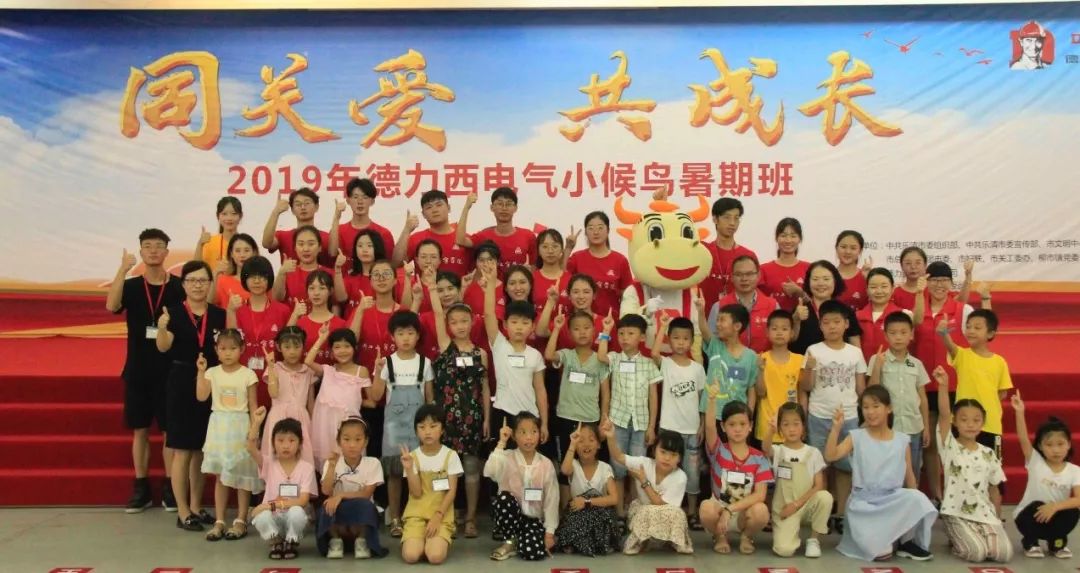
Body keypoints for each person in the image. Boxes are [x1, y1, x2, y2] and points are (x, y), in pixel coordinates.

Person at [105, 229, 184, 513]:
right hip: (138, 369)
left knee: (169, 432)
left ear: (166, 253)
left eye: (159, 246)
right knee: (140, 430)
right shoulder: (131, 285)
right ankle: (141, 487)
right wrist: (122, 270)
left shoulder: (178, 287)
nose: (153, 251)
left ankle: (170, 487)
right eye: (147, 246)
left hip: (170, 370)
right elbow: (112, 305)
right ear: (141, 252)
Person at [826, 385, 937, 561]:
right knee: (881, 552)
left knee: (918, 499)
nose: (870, 412)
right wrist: (836, 428)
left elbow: (909, 477)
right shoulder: (856, 436)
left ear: (888, 408)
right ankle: (885, 538)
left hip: (891, 499)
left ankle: (906, 542)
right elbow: (830, 456)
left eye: (876, 406)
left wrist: (912, 506)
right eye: (866, 407)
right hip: (863, 505)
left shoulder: (902, 440)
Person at [156, 260, 226, 531]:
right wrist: (163, 328)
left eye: (203, 281)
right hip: (181, 382)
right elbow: (163, 348)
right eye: (192, 281)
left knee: (200, 450)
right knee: (182, 450)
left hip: (210, 381)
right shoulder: (171, 313)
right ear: (183, 285)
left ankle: (197, 507)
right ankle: (182, 510)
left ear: (210, 284)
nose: (198, 285)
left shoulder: (218, 315)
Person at [914, 260, 987, 502]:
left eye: (944, 280)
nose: (939, 285)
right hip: (925, 386)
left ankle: (960, 493)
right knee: (931, 444)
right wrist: (918, 294)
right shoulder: (917, 308)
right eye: (934, 280)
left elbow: (980, 340)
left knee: (959, 441)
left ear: (950, 283)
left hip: (956, 385)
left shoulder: (962, 310)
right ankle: (937, 495)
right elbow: (913, 327)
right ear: (926, 282)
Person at [429, 272, 489, 538]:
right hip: (447, 418)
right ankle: (447, 516)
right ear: (448, 325)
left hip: (473, 417)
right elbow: (436, 311)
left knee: (472, 468)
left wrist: (487, 419)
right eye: (454, 322)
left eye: (464, 320)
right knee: (445, 470)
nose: (460, 326)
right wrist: (431, 287)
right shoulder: (445, 345)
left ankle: (471, 518)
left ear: (472, 322)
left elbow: (485, 388)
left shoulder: (481, 353)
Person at [800, 299, 866, 534]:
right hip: (819, 416)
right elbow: (806, 386)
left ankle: (841, 512)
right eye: (826, 322)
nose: (832, 327)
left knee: (845, 467)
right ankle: (822, 511)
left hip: (848, 417)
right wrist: (809, 368)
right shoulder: (813, 350)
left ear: (846, 324)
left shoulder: (855, 352)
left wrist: (865, 415)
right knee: (820, 466)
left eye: (837, 322)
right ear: (820, 326)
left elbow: (861, 388)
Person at [368, 310, 435, 539]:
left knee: (420, 471)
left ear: (418, 336)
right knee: (395, 472)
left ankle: (419, 515)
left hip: (420, 426)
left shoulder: (425, 363)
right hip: (394, 425)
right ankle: (395, 517)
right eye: (400, 333)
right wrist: (377, 371)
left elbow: (429, 399)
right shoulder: (386, 363)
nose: (405, 338)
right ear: (392, 336)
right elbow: (376, 396)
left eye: (410, 333)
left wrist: (431, 427)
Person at [934, 367, 1012, 563]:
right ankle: (958, 539)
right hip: (956, 513)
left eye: (976, 420)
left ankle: (978, 535)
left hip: (985, 513)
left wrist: (997, 519)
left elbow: (994, 489)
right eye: (964, 420)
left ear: (983, 423)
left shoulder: (988, 453)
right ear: (955, 422)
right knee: (977, 553)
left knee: (1002, 554)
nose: (970, 424)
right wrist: (943, 386)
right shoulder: (949, 446)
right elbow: (943, 415)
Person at [940, 308, 1013, 516]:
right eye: (968, 326)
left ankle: (995, 518)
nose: (971, 331)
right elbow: (951, 347)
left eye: (977, 327)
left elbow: (1002, 393)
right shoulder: (963, 355)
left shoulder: (999, 362)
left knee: (993, 476)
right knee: (961, 470)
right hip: (962, 424)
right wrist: (944, 333)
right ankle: (960, 515)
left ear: (990, 333)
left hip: (991, 426)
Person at [196, 328, 261, 542]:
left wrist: (254, 430)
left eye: (233, 348)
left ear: (242, 349)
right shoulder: (212, 372)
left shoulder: (248, 374)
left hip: (240, 424)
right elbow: (201, 396)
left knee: (242, 474)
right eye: (223, 348)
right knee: (221, 476)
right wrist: (201, 372)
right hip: (219, 426)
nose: (228, 353)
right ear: (216, 349)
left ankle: (241, 519)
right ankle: (220, 520)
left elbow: (253, 405)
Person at [597, 313, 662, 524]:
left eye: (631, 333)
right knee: (617, 468)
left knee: (636, 468)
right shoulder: (615, 358)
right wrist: (606, 331)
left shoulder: (648, 364)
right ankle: (619, 513)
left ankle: (634, 511)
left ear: (642, 337)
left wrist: (651, 426)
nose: (625, 338)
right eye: (621, 333)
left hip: (641, 424)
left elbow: (653, 397)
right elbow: (600, 356)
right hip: (618, 422)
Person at [601, 419, 692, 555]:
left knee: (678, 514)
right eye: (663, 452)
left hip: (665, 512)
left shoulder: (681, 476)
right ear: (654, 451)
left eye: (673, 455)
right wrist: (611, 436)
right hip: (642, 509)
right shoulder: (644, 463)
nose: (667, 458)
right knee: (643, 511)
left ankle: (673, 541)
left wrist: (643, 480)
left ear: (679, 458)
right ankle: (641, 542)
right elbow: (618, 456)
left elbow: (660, 504)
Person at [699, 396, 773, 555]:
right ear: (723, 426)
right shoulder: (718, 450)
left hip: (744, 512)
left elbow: (760, 495)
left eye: (742, 424)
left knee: (761, 511)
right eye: (732, 424)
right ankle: (720, 536)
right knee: (706, 508)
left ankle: (747, 536)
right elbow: (710, 427)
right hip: (719, 509)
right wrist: (711, 400)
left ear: (750, 426)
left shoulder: (759, 458)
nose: (737, 429)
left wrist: (730, 510)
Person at [482, 267, 549, 442]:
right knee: (501, 457)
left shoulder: (535, 355)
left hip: (530, 415)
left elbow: (540, 390)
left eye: (525, 323)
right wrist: (491, 284)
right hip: (502, 413)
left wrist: (544, 423)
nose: (519, 327)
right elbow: (488, 314)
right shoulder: (499, 345)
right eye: (514, 322)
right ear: (505, 324)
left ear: (532, 327)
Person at [653, 315, 706, 530]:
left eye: (685, 338)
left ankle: (692, 512)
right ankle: (665, 509)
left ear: (692, 341)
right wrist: (663, 326)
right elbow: (654, 353)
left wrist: (702, 425)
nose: (681, 343)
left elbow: (702, 399)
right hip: (669, 428)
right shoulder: (666, 364)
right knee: (665, 471)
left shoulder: (697, 368)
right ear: (669, 339)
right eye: (676, 338)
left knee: (692, 473)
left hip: (691, 429)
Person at [1013, 391, 1080, 558]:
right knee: (1036, 505)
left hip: (1053, 513)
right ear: (1040, 447)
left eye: (1060, 444)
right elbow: (1023, 439)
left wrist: (1055, 507)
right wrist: (1019, 412)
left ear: (1068, 444)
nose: (1056, 450)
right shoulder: (1035, 461)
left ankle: (1056, 543)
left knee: (1073, 511)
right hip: (1029, 516)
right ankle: (1030, 541)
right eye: (1049, 445)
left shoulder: (1074, 470)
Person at [485, 412, 560, 561]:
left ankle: (522, 541)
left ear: (539, 434)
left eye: (534, 431)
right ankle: (509, 541)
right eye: (523, 432)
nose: (529, 437)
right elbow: (490, 471)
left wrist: (549, 533)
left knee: (532, 552)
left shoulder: (546, 464)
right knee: (504, 499)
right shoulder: (507, 457)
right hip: (512, 517)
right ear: (514, 435)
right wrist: (501, 442)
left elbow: (552, 499)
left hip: (534, 519)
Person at [762, 402, 832, 558]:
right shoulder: (778, 451)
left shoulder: (813, 452)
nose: (791, 429)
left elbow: (818, 485)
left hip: (805, 505)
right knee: (784, 550)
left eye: (796, 424)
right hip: (784, 510)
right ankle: (790, 534)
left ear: (803, 426)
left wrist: (796, 505)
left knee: (825, 497)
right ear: (780, 428)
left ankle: (814, 540)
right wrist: (770, 431)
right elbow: (765, 448)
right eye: (785, 424)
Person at [868, 312, 931, 483]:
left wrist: (926, 426)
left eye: (903, 332)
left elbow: (922, 398)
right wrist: (877, 367)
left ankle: (912, 498)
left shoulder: (916, 364)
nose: (898, 337)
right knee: (888, 473)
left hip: (914, 427)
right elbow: (871, 393)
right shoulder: (877, 359)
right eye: (893, 333)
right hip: (888, 428)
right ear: (885, 335)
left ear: (911, 334)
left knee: (913, 473)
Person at [246, 410, 318, 560]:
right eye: (280, 440)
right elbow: (251, 448)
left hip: (293, 516)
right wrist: (257, 423)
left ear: (300, 443)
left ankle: (292, 541)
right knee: (263, 516)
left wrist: (270, 505)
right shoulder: (268, 464)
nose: (286, 445)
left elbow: (303, 500)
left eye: (291, 441)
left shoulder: (306, 468)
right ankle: (276, 542)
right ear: (273, 442)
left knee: (296, 512)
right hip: (274, 516)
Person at [400, 405, 464, 564]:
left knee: (435, 557)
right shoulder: (412, 456)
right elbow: (416, 493)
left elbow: (451, 492)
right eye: (422, 427)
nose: (427, 432)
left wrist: (438, 517)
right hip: (416, 514)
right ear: (416, 431)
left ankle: (435, 542)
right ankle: (420, 540)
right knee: (410, 556)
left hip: (441, 515)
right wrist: (409, 468)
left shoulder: (451, 455)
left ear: (442, 430)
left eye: (433, 426)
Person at [316, 417, 386, 559]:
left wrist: (340, 495)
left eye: (358, 439)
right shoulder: (331, 462)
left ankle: (362, 541)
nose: (352, 445)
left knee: (366, 506)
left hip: (360, 512)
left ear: (365, 442)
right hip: (338, 511)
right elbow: (326, 491)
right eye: (346, 439)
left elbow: (366, 494)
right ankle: (335, 541)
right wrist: (332, 466)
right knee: (326, 506)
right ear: (339, 442)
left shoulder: (373, 463)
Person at [226, 256, 292, 407]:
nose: (257, 281)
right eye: (252, 277)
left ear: (269, 279)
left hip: (274, 379)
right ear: (244, 280)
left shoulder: (282, 310)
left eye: (262, 277)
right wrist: (230, 311)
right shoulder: (237, 310)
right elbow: (231, 342)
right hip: (243, 377)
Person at [308, 325, 371, 469]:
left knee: (350, 461)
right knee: (327, 463)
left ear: (354, 348)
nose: (342, 351)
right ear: (331, 351)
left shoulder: (361, 371)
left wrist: (354, 402)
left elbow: (372, 401)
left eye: (347, 346)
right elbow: (308, 361)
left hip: (348, 424)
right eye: (337, 347)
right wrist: (321, 338)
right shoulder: (328, 370)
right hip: (325, 424)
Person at [555, 422, 620, 556]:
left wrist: (587, 502)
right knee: (572, 515)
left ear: (598, 444)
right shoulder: (573, 465)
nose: (586, 444)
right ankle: (584, 541)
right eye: (581, 441)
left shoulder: (605, 468)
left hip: (598, 512)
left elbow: (614, 498)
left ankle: (582, 541)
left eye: (591, 440)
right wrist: (572, 444)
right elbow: (565, 470)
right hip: (578, 513)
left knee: (604, 515)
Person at [698, 303, 760, 443]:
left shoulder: (751, 356)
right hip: (714, 416)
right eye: (717, 320)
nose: (718, 324)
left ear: (737, 326)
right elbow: (704, 330)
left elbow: (751, 389)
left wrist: (748, 416)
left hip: (737, 419)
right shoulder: (715, 346)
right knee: (714, 454)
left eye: (722, 320)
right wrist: (701, 312)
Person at [261, 327, 315, 467]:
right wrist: (271, 367)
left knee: (302, 457)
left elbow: (311, 403)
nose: (292, 351)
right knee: (276, 456)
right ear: (279, 347)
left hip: (301, 418)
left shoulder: (308, 371)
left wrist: (313, 425)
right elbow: (273, 393)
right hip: (278, 416)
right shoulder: (275, 368)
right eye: (287, 347)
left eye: (297, 347)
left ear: (303, 347)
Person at [565, 211, 633, 317]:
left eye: (600, 228)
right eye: (591, 228)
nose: (596, 232)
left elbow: (628, 295)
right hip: (581, 321)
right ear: (585, 232)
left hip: (611, 321)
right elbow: (560, 274)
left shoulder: (620, 260)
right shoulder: (577, 258)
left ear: (608, 230)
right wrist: (568, 248)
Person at [456, 189, 537, 276]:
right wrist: (467, 207)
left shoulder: (528, 236)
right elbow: (460, 240)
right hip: (491, 284)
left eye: (508, 204)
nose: (504, 208)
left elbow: (535, 265)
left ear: (515, 208)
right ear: (492, 207)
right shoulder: (484, 236)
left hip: (516, 284)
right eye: (500, 204)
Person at [708, 255, 779, 353]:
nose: (744, 279)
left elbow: (781, 340)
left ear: (758, 276)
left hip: (764, 360)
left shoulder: (773, 306)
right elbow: (712, 343)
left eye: (749, 274)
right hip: (729, 361)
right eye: (739, 274)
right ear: (732, 277)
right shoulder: (719, 307)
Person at [753, 310, 804, 446]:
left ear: (792, 333)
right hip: (766, 426)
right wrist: (760, 370)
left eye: (784, 329)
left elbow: (802, 394)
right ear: (767, 332)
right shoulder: (761, 359)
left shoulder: (799, 360)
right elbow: (760, 393)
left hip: (792, 428)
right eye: (774, 329)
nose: (779, 332)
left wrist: (803, 423)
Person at [790, 260, 862, 355]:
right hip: (805, 363)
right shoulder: (800, 310)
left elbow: (855, 347)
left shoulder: (846, 311)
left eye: (826, 279)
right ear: (808, 282)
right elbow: (790, 340)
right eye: (815, 279)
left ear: (835, 281)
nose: (820, 283)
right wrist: (796, 319)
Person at [394, 189, 471, 277]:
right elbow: (397, 264)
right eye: (429, 207)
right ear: (423, 214)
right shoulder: (416, 239)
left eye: (439, 205)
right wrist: (406, 230)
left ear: (449, 208)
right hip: (424, 286)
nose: (434, 210)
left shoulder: (463, 239)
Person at [700, 197, 758, 306]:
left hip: (736, 314)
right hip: (703, 314)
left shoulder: (748, 255)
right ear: (715, 219)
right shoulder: (702, 251)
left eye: (736, 218)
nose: (732, 223)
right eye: (727, 217)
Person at [857, 268, 923, 362]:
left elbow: (918, 320)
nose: (879, 291)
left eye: (884, 286)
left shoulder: (904, 315)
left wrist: (920, 293)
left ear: (892, 289)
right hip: (864, 369)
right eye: (873, 287)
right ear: (867, 290)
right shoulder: (857, 317)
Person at [292, 270, 351, 365]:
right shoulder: (300, 323)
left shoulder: (341, 324)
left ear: (330, 291)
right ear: (307, 291)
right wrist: (294, 315)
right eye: (312, 288)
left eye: (322, 288)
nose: (316, 293)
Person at [336, 177, 396, 270]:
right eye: (355, 197)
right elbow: (332, 255)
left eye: (365, 197)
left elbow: (390, 265)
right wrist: (336, 218)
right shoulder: (338, 231)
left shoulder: (384, 233)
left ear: (372, 201)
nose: (360, 202)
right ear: (348, 200)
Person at [261, 188, 331, 266]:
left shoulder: (327, 237)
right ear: (292, 210)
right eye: (298, 204)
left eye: (307, 203)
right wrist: (276, 212)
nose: (303, 207)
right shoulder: (283, 236)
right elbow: (266, 244)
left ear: (316, 207)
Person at [272, 225, 333, 308]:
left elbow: (335, 305)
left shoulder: (329, 274)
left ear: (320, 247)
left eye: (311, 244)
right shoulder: (287, 273)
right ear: (295, 248)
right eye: (301, 244)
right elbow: (276, 299)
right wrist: (281, 273)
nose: (306, 249)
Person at [758, 217, 809, 312]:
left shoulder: (809, 268)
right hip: (771, 319)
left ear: (800, 239)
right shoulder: (763, 269)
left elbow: (816, 303)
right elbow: (757, 301)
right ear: (776, 238)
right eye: (783, 235)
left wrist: (799, 292)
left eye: (793, 236)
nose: (788, 240)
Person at [194, 196, 243, 271]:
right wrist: (200, 244)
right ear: (218, 216)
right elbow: (195, 269)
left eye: (234, 214)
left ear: (241, 216)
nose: (229, 218)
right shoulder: (210, 242)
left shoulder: (246, 242)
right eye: (224, 214)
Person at [209, 233, 259, 306]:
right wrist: (215, 273)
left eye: (246, 250)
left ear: (254, 252)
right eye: (237, 251)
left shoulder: (262, 280)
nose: (242, 255)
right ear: (231, 254)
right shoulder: (222, 281)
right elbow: (209, 304)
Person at [833, 230, 871, 311]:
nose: (848, 252)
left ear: (860, 251)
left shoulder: (866, 277)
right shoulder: (828, 276)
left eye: (853, 248)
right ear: (836, 248)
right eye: (843, 247)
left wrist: (870, 280)